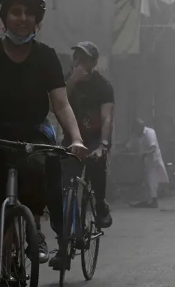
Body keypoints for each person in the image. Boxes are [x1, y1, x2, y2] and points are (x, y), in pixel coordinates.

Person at [0, 0, 86, 287]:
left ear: (37, 21)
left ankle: (33, 226)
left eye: (29, 13)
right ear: (4, 17)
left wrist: (76, 139)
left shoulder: (47, 57)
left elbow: (61, 104)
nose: (22, 18)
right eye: (15, 11)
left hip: (32, 133)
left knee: (43, 170)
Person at [47, 41, 115, 269]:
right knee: (64, 189)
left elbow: (107, 118)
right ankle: (64, 248)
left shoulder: (103, 86)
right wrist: (73, 81)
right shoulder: (67, 81)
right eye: (77, 58)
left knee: (97, 166)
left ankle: (101, 203)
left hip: (95, 138)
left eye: (85, 59)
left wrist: (103, 145)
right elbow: (53, 105)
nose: (80, 63)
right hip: (72, 140)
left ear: (94, 63)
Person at [129, 119, 169, 208]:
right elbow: (129, 145)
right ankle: (148, 200)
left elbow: (153, 148)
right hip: (145, 161)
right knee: (147, 180)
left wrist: (143, 154)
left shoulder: (150, 133)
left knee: (152, 180)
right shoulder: (137, 133)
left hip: (154, 160)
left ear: (140, 128)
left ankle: (153, 201)